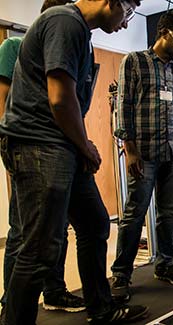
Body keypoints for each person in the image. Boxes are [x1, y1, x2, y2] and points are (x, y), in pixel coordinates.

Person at [0, 0, 149, 323]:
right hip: (40, 144)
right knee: (39, 248)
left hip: (63, 144)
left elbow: (70, 102)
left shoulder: (80, 31)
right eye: (129, 10)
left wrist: (80, 145)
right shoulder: (64, 22)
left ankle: (101, 308)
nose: (127, 22)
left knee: (95, 223)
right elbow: (59, 97)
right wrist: (86, 147)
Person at [0, 0, 86, 315]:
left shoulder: (65, 47)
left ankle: (54, 290)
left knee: (56, 227)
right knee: (23, 230)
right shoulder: (15, 45)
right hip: (28, 144)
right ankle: (11, 304)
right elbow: (4, 99)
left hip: (57, 147)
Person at [111, 9, 173, 303]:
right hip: (143, 153)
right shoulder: (134, 62)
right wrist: (130, 150)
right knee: (134, 213)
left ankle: (165, 264)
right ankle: (121, 274)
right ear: (164, 33)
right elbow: (123, 106)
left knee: (169, 213)